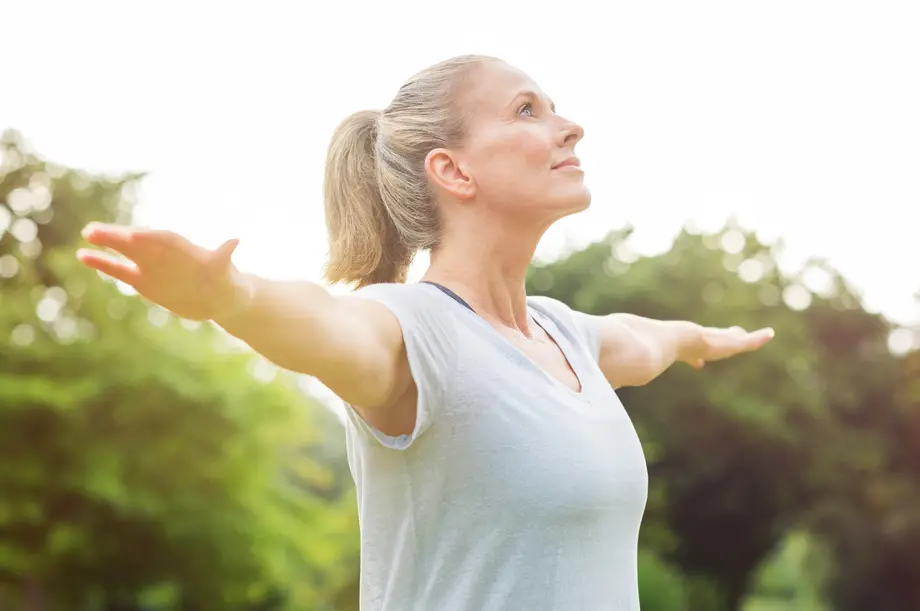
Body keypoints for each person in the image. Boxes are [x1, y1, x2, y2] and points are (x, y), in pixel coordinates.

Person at [77, 54, 774, 611]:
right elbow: (327, 323)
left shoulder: (569, 335)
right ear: (452, 169)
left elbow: (646, 339)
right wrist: (234, 296)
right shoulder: (417, 331)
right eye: (528, 109)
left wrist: (703, 338)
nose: (570, 127)